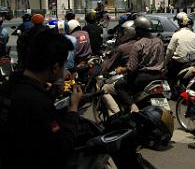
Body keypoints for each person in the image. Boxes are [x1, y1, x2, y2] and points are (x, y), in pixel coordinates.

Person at [0, 29, 82, 169]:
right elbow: (62, 146)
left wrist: (51, 93)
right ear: (55, 68)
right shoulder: (37, 103)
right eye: (62, 66)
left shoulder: (6, 88)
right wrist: (73, 109)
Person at [114, 16, 165, 112]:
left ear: (139, 30)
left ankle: (133, 106)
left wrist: (123, 69)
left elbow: (132, 68)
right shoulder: (159, 41)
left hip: (142, 78)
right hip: (159, 77)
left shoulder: (138, 44)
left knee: (119, 85)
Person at [101, 20, 138, 116]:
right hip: (140, 77)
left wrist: (104, 70)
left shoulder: (122, 48)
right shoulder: (141, 43)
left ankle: (115, 114)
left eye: (123, 32)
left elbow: (109, 66)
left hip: (129, 78)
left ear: (127, 32)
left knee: (104, 88)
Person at [165, 13, 195, 88]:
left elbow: (169, 51)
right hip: (191, 62)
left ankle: (170, 88)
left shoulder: (176, 34)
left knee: (167, 75)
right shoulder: (194, 35)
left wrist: (165, 64)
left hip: (178, 64)